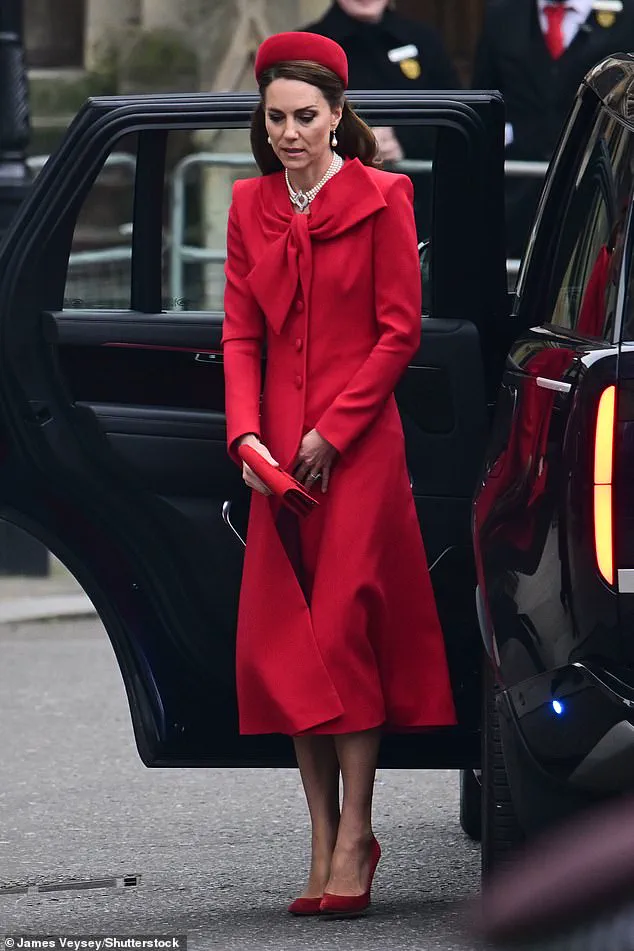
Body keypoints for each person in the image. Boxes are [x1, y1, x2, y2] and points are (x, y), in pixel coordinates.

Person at [221, 30, 456, 918]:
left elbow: (401, 331)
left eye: (305, 116)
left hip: (357, 448)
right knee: (289, 643)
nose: (288, 131)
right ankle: (319, 837)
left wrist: (336, 428)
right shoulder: (250, 206)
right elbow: (241, 333)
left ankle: (357, 828)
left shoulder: (385, 195)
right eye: (276, 116)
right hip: (276, 453)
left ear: (337, 115)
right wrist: (246, 435)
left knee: (345, 629)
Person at [473, 0, 634, 259]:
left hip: (596, 188)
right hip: (515, 193)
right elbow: (483, 99)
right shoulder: (503, 14)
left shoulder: (627, 14)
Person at [303, 0, 461, 236]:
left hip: (419, 208)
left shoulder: (424, 40)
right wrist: (355, 140)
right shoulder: (307, 45)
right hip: (333, 209)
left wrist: (403, 139)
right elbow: (291, 122)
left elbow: (456, 119)